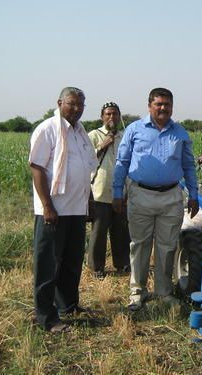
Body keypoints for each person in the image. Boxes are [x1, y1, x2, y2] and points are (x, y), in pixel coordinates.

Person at [113, 87, 198, 311]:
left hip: (171, 196)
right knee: (139, 245)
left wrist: (194, 195)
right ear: (149, 105)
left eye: (167, 104)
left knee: (167, 246)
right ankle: (137, 293)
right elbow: (121, 162)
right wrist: (116, 193)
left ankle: (163, 291)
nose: (163, 108)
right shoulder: (134, 130)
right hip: (140, 194)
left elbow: (189, 165)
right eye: (158, 104)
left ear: (172, 107)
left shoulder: (180, 133)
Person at [29, 87, 98, 332]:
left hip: (76, 210)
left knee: (71, 262)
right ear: (60, 103)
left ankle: (68, 305)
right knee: (48, 264)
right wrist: (47, 206)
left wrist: (87, 201)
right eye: (72, 104)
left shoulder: (80, 133)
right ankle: (46, 317)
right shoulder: (47, 129)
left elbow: (85, 171)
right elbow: (37, 168)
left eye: (81, 105)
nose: (77, 109)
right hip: (53, 210)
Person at [87, 102, 130, 279]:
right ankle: (96, 268)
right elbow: (86, 159)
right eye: (108, 114)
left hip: (121, 192)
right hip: (100, 191)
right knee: (99, 232)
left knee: (121, 232)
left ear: (119, 116)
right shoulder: (94, 135)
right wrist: (102, 146)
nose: (111, 117)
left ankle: (122, 264)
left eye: (114, 114)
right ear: (102, 117)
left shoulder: (125, 136)